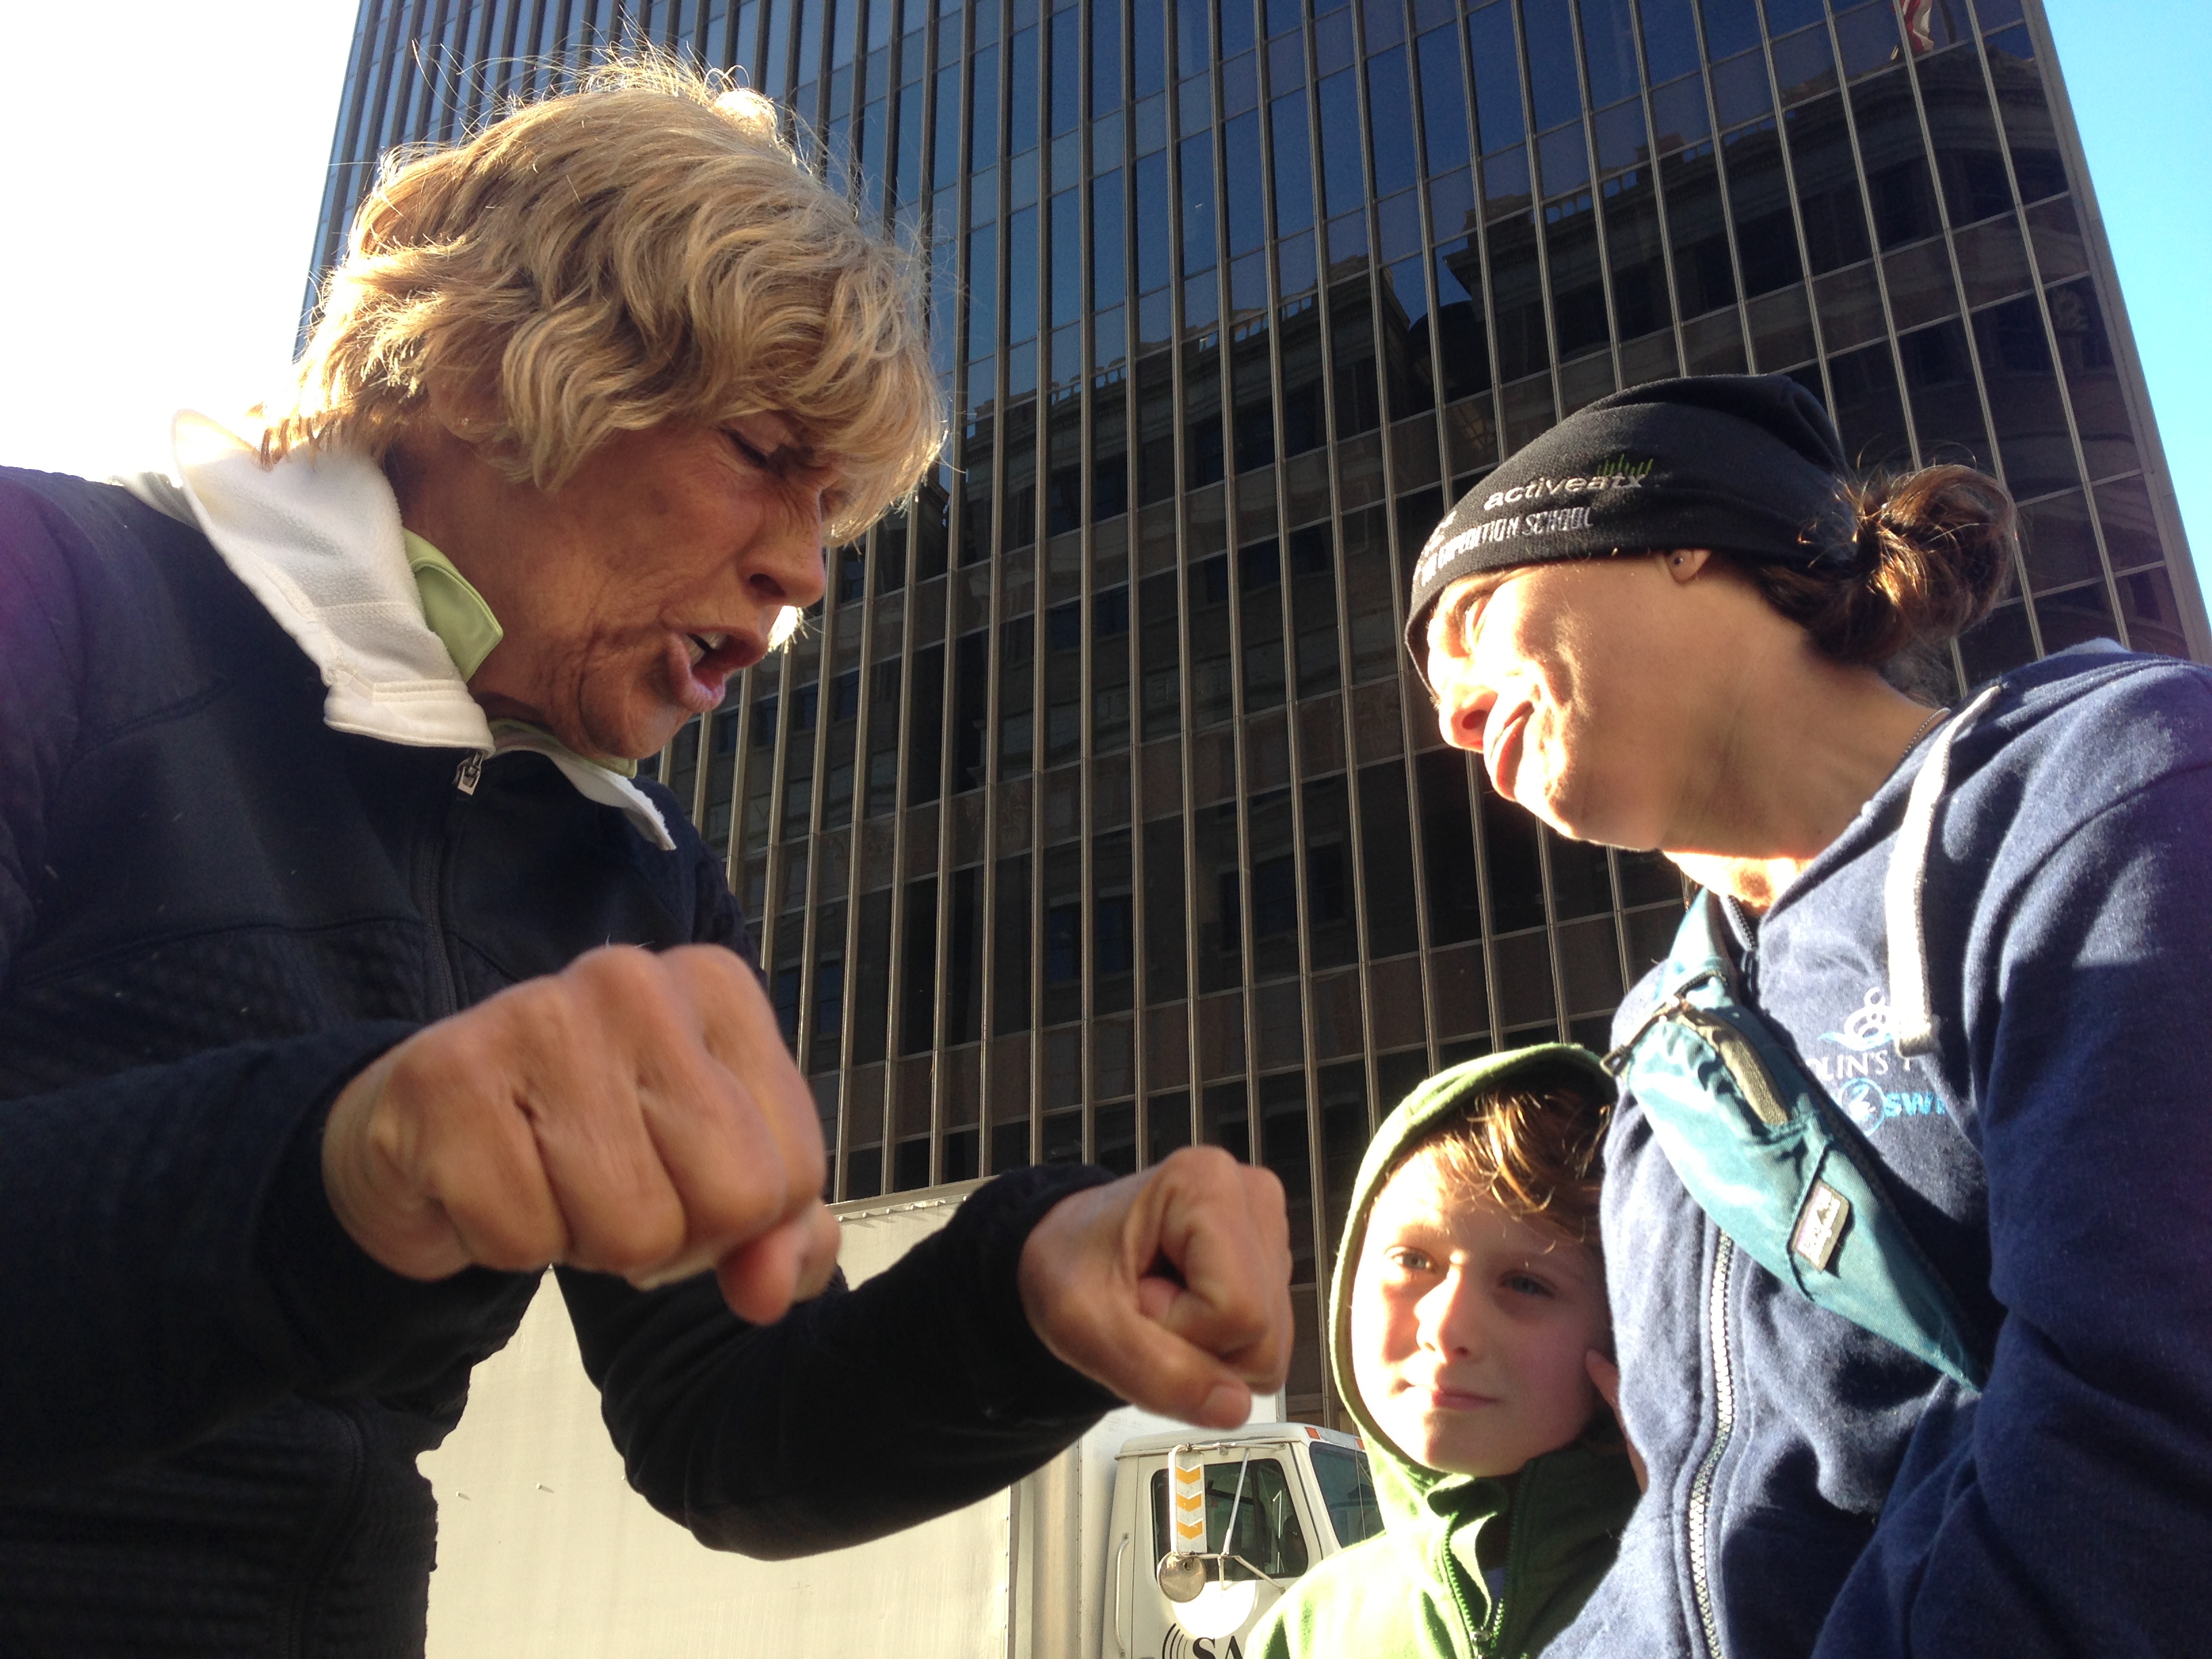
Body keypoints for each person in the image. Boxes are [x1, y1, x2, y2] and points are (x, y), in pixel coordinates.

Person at [0, 61, 1290, 1656]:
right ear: (480, 366)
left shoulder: (638, 868)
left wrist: (1027, 1293)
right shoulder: (47, 590)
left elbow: (734, 1425)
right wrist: (341, 1162)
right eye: (762, 449)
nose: (805, 570)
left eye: (835, 506)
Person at [1408, 373, 2212, 1658]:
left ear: (1681, 537)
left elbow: (2141, 1438)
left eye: (1474, 619)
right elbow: (1693, 1549)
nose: (1449, 719)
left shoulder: (2105, 795)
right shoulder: (1653, 1084)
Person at [1248, 1045, 1639, 1659]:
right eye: (1413, 1261)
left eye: (1526, 1282)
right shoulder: (1307, 1627)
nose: (1448, 1325)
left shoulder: (1716, 1590)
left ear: (1624, 1327)